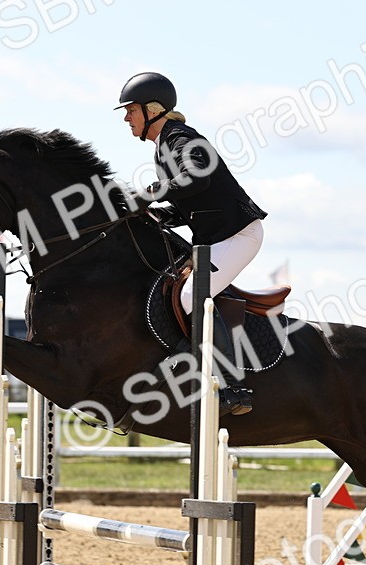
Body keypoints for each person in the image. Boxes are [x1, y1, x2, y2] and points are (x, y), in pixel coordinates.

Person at [116, 71, 266, 416]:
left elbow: (197, 176)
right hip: (216, 236)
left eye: (131, 110)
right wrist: (162, 215)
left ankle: (230, 386)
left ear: (153, 109)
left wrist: (150, 195)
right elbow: (191, 202)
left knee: (189, 295)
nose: (126, 118)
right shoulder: (162, 146)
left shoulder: (181, 138)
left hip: (238, 234)